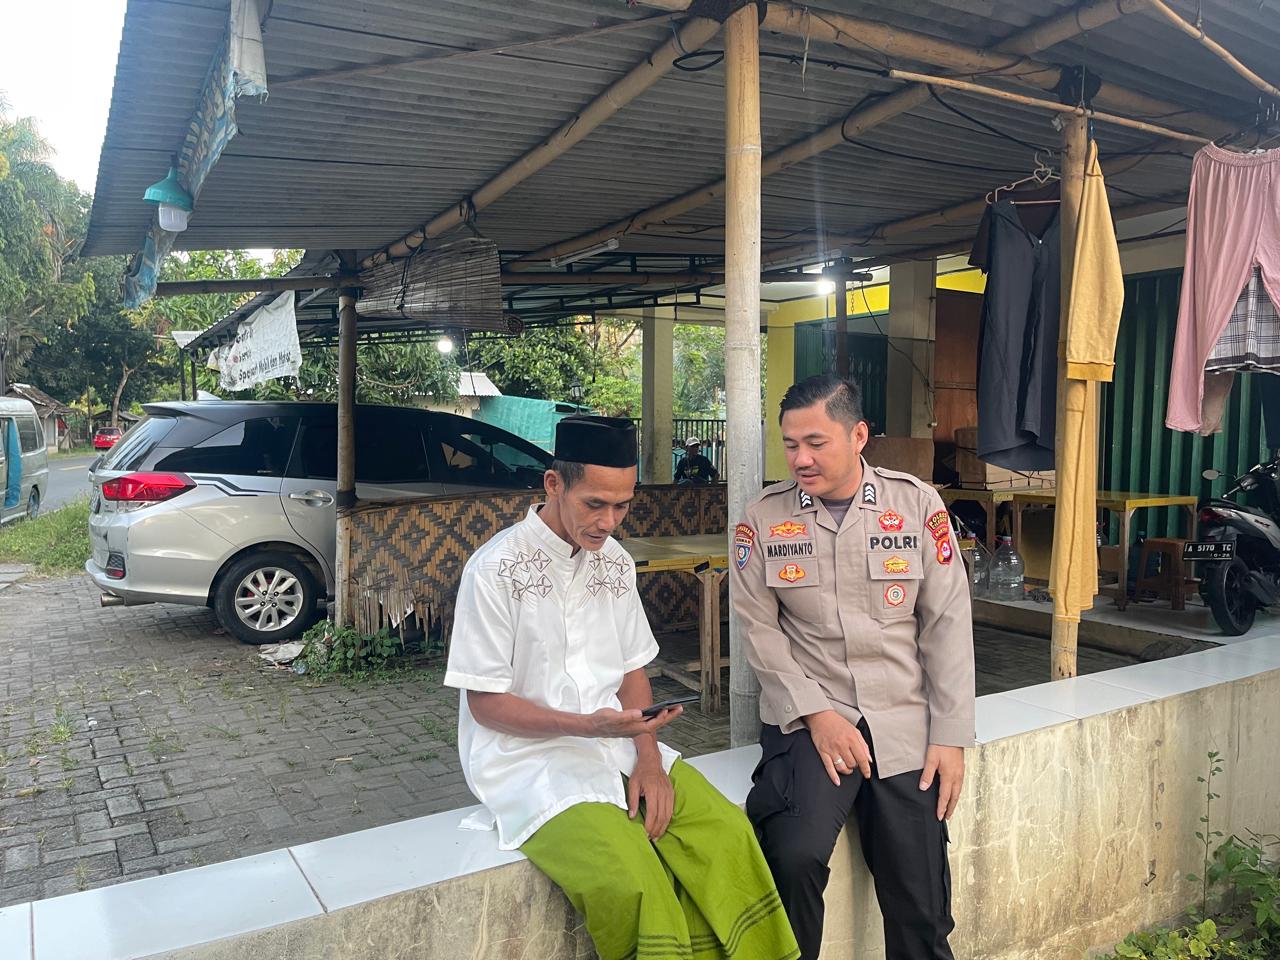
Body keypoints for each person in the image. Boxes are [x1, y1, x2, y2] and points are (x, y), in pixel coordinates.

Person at [445, 415, 799, 960]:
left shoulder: (614, 563)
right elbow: (485, 705)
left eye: (622, 506)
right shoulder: (495, 571)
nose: (608, 522)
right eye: (595, 504)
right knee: (634, 879)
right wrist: (587, 726)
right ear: (554, 484)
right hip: (527, 764)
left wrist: (649, 761)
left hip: (620, 745)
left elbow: (633, 671)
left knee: (728, 836)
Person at [729, 375, 975, 960]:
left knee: (920, 894)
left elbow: (946, 623)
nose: (801, 459)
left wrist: (950, 736)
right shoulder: (763, 518)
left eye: (816, 443)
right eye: (791, 445)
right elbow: (759, 630)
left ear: (858, 435)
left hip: (901, 718)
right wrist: (817, 716)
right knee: (793, 854)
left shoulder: (916, 506)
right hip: (811, 718)